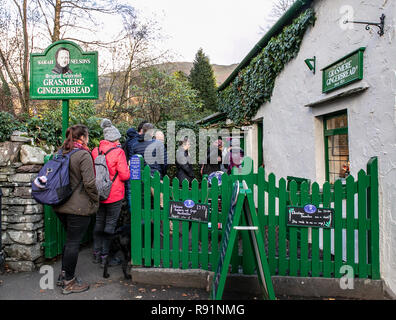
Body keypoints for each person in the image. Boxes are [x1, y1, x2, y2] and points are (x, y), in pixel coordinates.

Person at [52, 124, 99, 295]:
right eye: (87, 135)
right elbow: (89, 183)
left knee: (70, 240)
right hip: (77, 207)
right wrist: (95, 199)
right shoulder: (83, 155)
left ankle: (63, 275)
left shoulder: (61, 151)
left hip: (59, 204)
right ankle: (68, 282)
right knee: (73, 242)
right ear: (83, 137)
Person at [92, 119, 130, 267]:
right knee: (110, 224)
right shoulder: (118, 152)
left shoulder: (96, 150)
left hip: (98, 192)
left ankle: (96, 253)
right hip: (114, 194)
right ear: (115, 138)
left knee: (99, 222)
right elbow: (125, 175)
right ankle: (105, 256)